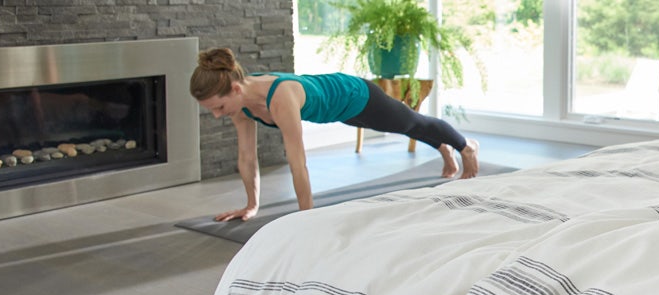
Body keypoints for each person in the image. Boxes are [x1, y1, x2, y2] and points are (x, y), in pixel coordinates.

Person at [189, 47, 479, 222]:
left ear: (236, 90)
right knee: (406, 127)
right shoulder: (241, 105)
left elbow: (298, 161)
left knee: (411, 124)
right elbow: (246, 158)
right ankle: (443, 148)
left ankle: (465, 147)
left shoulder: (280, 98)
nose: (218, 115)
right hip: (340, 111)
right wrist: (251, 206)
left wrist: (307, 218)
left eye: (219, 107)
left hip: (356, 96)